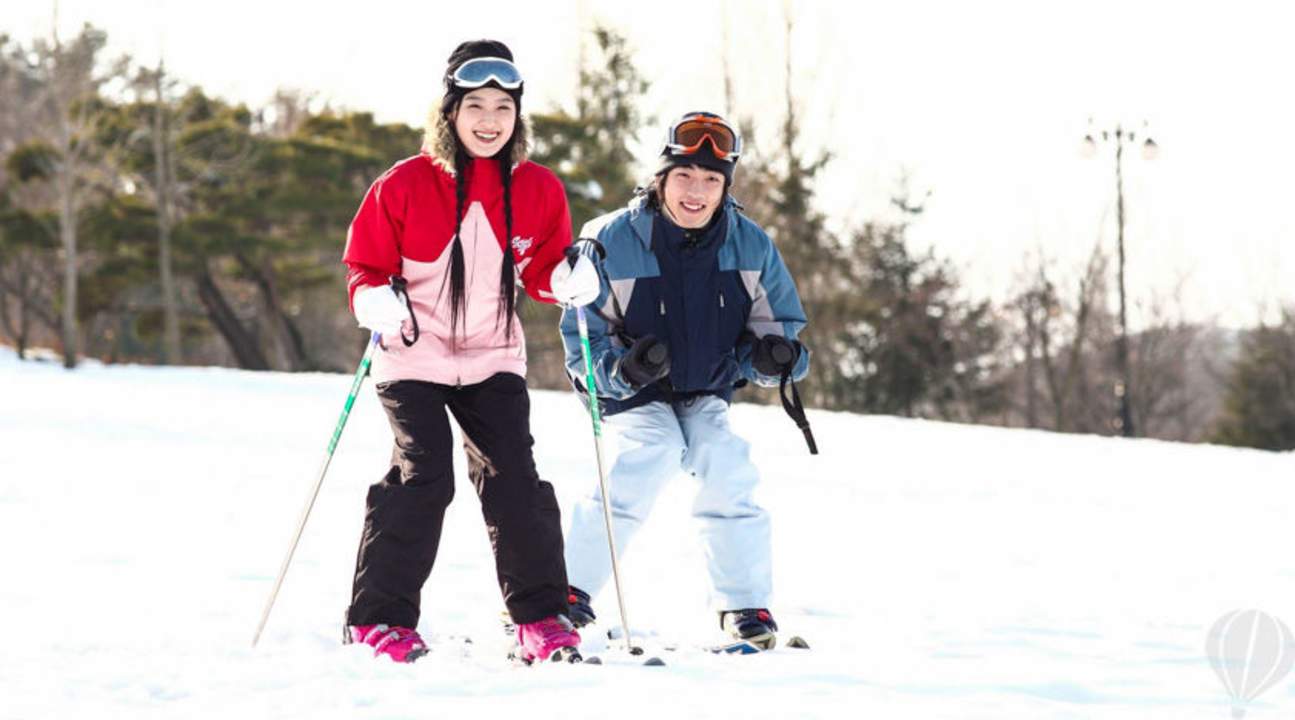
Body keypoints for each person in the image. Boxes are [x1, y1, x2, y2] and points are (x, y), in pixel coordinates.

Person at [339, 39, 601, 663]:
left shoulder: (535, 188)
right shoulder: (404, 183)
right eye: (475, 105)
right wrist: (372, 300)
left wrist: (567, 281)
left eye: (503, 108)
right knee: (423, 476)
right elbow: (365, 265)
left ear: (518, 117)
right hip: (411, 357)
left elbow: (542, 269)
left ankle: (540, 617)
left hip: (492, 357)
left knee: (513, 478)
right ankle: (380, 619)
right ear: (450, 111)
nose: (489, 121)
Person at [558, 111, 810, 649]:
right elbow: (581, 340)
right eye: (684, 177)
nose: (696, 191)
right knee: (648, 452)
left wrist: (773, 358)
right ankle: (567, 593)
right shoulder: (609, 240)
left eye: (711, 180)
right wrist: (623, 370)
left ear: (726, 187)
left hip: (704, 387)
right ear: (661, 179)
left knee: (726, 460)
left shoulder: (751, 245)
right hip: (629, 391)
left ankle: (745, 605)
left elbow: (782, 334)